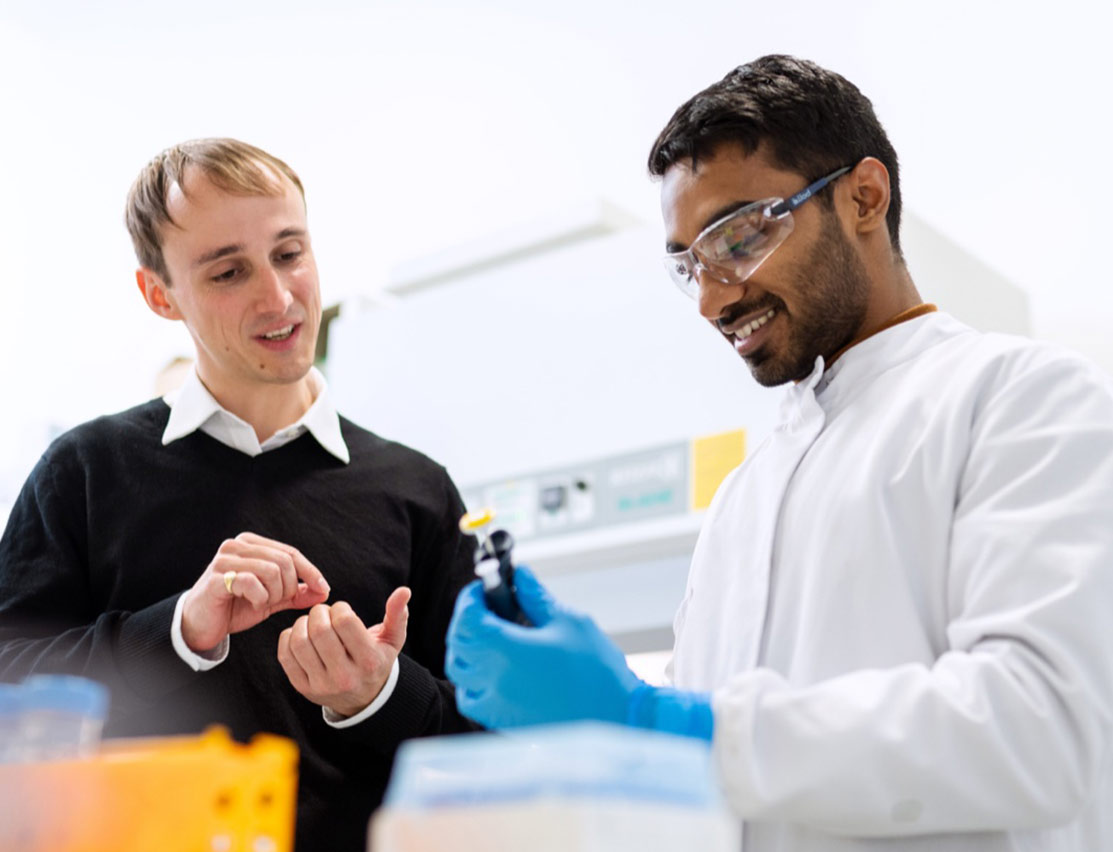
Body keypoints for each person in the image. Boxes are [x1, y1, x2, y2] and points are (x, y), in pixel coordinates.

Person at [444, 55, 1113, 850]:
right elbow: (705, 785)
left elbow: (1038, 731)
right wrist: (591, 732)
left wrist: (649, 718)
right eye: (688, 263)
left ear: (863, 197)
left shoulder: (1021, 398)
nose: (710, 298)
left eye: (739, 236)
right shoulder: (744, 493)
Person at [0, 138, 477, 851]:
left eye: (289, 253)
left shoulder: (419, 491)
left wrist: (379, 694)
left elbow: (494, 739)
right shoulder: (85, 471)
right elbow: (9, 686)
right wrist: (176, 632)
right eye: (228, 272)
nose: (278, 297)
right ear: (160, 295)